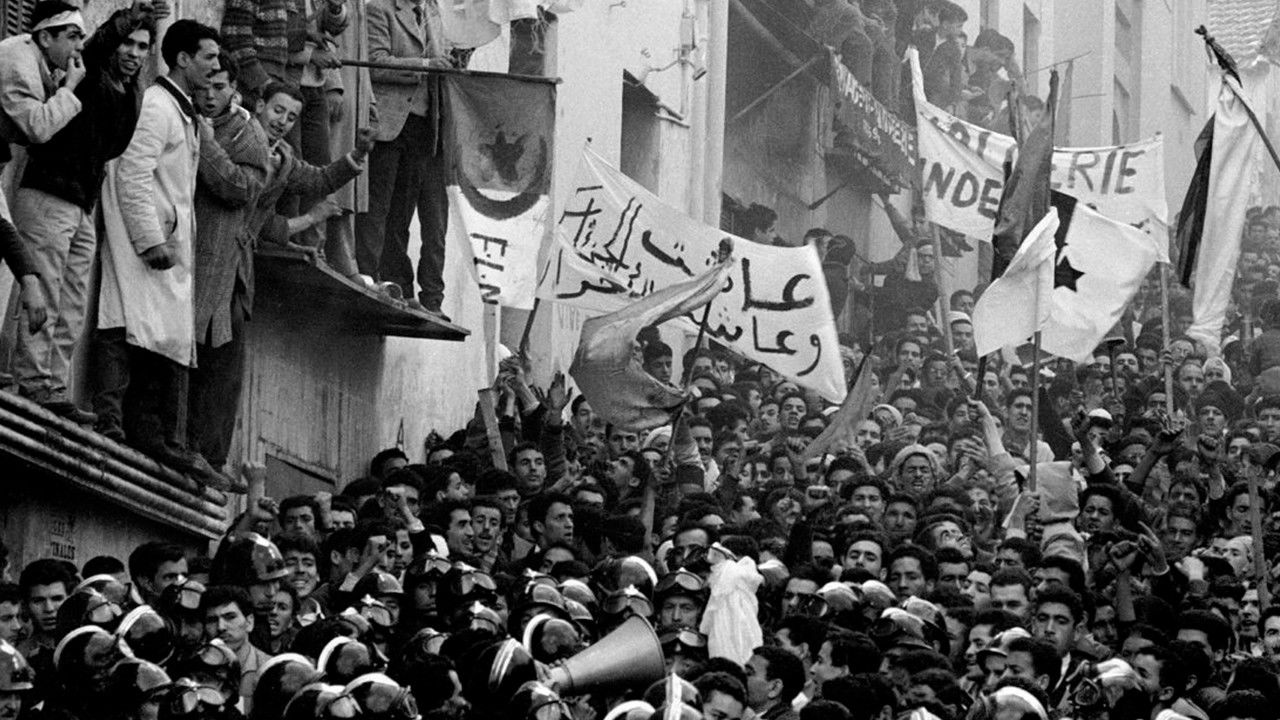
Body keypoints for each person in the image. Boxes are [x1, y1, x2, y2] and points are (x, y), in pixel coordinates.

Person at [91, 19, 233, 489]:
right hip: (144, 240)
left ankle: (163, 439)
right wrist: (150, 237)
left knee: (162, 334)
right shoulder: (156, 106)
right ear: (183, 59)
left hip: (165, 244)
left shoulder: (183, 110)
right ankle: (121, 426)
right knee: (128, 319)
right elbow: (130, 170)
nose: (215, 66)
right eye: (209, 57)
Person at [355, 0, 454, 319]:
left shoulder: (432, 14)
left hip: (423, 126)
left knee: (402, 212)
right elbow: (375, 61)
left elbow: (441, 62)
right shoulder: (379, 9)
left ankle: (394, 282)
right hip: (389, 123)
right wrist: (426, 64)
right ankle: (368, 276)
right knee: (377, 205)